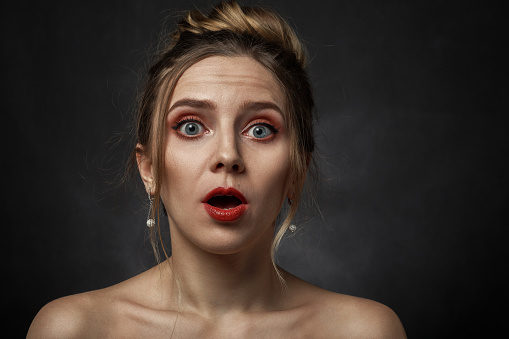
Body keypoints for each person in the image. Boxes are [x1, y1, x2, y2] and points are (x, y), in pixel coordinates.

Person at [27, 1, 406, 337]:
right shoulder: (74, 329)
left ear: (296, 171)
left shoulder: (363, 331)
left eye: (260, 129)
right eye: (191, 127)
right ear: (149, 168)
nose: (228, 155)